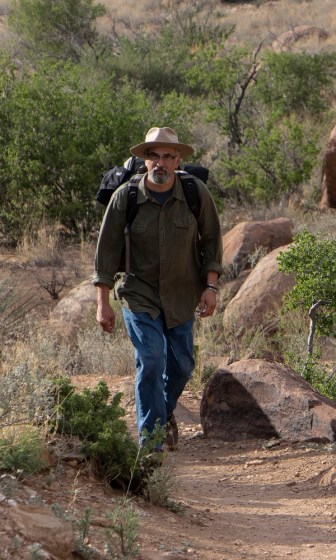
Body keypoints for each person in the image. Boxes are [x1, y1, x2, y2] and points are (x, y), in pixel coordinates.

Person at [92, 127, 223, 451]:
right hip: (139, 294)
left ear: (177, 160)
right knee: (150, 359)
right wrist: (102, 303)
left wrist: (210, 287)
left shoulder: (194, 193)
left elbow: (211, 240)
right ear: (145, 160)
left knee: (183, 365)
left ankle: (162, 413)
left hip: (182, 294)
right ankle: (150, 446)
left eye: (167, 156)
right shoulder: (126, 197)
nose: (160, 163)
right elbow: (106, 253)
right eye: (154, 156)